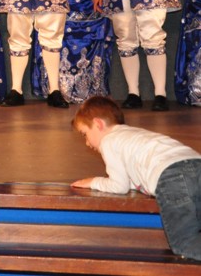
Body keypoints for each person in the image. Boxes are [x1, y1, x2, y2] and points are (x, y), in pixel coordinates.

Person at [71, 96, 201, 261]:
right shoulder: (134, 134)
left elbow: (119, 186)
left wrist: (93, 182)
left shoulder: (108, 141)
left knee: (184, 243)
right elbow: (134, 176)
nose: (87, 143)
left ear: (98, 124)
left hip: (172, 177)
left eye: (85, 134)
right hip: (196, 163)